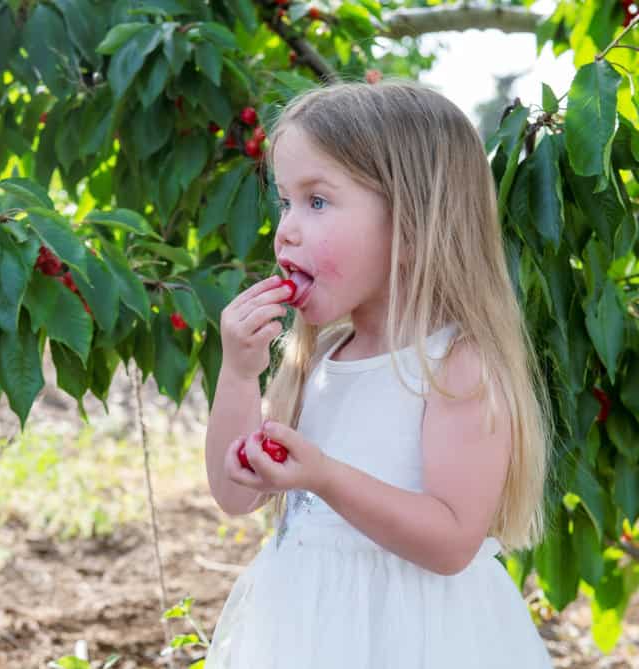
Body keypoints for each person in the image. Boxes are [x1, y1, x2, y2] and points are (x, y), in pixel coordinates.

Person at [202, 78, 558, 668]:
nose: (286, 228)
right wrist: (239, 375)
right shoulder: (316, 359)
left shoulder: (453, 365)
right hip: (306, 630)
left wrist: (326, 477)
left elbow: (450, 541)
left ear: (415, 221)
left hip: (421, 639)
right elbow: (234, 494)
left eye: (316, 202)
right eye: (285, 202)